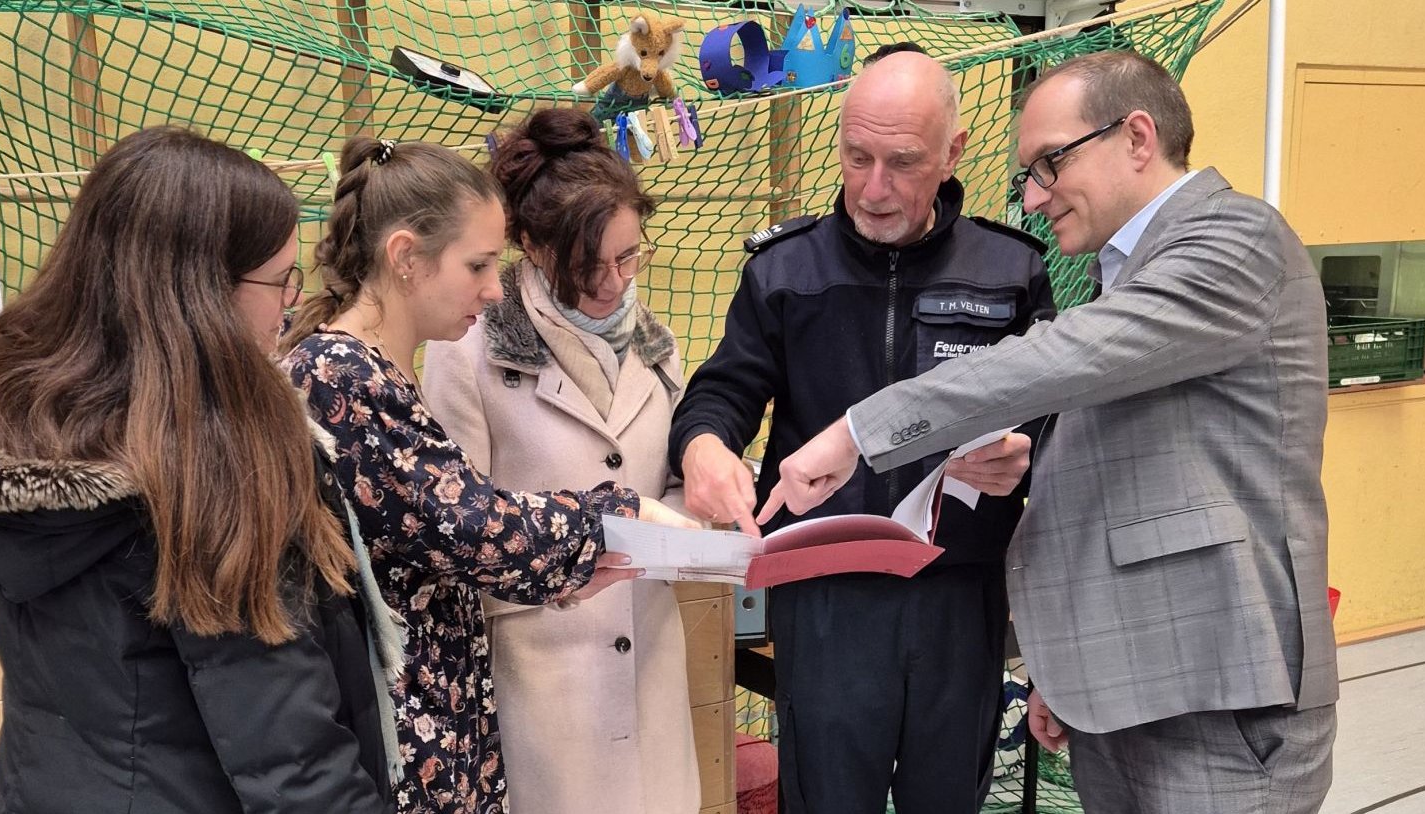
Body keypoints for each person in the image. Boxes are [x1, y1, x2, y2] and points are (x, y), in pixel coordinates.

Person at [766, 50, 1338, 814]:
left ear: (1135, 137)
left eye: (1048, 164)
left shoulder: (1234, 244)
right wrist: (1065, 670)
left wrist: (855, 433)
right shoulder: (1125, 273)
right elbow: (1115, 486)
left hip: (1220, 699)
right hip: (1125, 692)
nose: (1033, 198)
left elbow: (1053, 362)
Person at [0, 125, 405, 813]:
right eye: (282, 279)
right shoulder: (218, 462)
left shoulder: (18, 412)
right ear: (200, 292)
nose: (291, 300)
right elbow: (291, 756)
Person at [667, 50, 1052, 814]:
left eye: (903, 163)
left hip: (959, 595)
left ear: (952, 152)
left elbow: (1053, 414)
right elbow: (722, 390)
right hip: (826, 600)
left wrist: (1026, 455)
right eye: (855, 157)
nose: (873, 189)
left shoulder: (1010, 271)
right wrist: (702, 447)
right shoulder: (783, 269)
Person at [278, 135, 696, 814]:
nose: (490, 287)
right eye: (476, 265)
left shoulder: (375, 370)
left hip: (449, 723)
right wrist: (611, 520)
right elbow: (467, 524)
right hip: (417, 727)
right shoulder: (340, 374)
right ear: (406, 258)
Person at [421, 108, 700, 814]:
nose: (611, 284)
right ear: (533, 247)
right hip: (541, 691)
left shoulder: (657, 346)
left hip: (651, 675)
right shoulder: (469, 350)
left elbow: (667, 485)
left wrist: (710, 507)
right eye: (587, 265)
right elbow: (454, 534)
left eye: (628, 256)